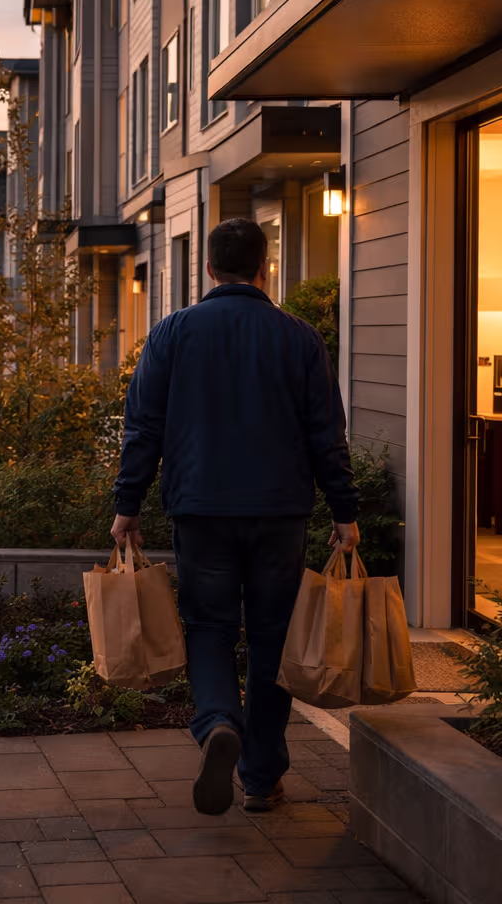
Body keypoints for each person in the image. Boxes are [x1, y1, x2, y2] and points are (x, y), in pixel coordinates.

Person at [111, 218, 359, 817]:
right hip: (280, 512)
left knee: (210, 627)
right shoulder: (299, 338)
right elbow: (328, 434)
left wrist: (128, 504)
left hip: (201, 509)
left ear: (207, 269)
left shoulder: (171, 334)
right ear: (265, 266)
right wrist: (346, 513)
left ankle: (219, 720)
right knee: (274, 637)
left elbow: (143, 427)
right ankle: (261, 775)